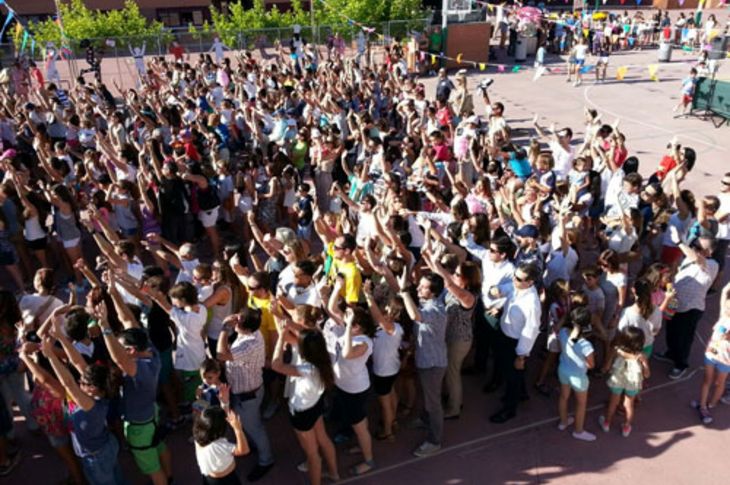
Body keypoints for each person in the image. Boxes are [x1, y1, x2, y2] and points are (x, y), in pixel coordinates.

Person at [272, 326, 339, 485]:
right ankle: (334, 474)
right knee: (323, 438)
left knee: (312, 454)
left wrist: (281, 337)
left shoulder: (306, 369)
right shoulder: (327, 358)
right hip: (315, 405)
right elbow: (306, 339)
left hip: (302, 414)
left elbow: (276, 365)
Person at [216, 309, 274, 482]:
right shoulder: (252, 333)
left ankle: (266, 460)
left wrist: (224, 329)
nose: (235, 321)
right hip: (244, 391)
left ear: (244, 327)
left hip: (248, 396)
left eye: (238, 320)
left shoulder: (249, 344)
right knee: (248, 426)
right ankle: (253, 446)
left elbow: (221, 355)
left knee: (255, 428)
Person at [398, 269, 447, 456]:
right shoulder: (426, 303)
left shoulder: (434, 309)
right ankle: (426, 419)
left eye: (423, 287)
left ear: (433, 292)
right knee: (428, 396)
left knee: (434, 403)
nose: (418, 289)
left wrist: (404, 294)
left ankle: (435, 441)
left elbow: (415, 316)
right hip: (426, 359)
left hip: (433, 364)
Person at [489, 263, 542, 424]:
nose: (514, 279)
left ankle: (509, 409)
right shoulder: (516, 287)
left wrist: (521, 355)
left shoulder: (532, 303)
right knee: (513, 372)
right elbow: (499, 290)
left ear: (530, 282)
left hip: (515, 343)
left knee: (512, 375)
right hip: (505, 335)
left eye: (518, 278)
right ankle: (522, 393)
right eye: (514, 275)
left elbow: (530, 331)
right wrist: (495, 291)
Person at [599, 327, 650, 437]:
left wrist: (604, 369)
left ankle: (607, 423)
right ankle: (626, 427)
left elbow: (607, 366)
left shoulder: (616, 350)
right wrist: (644, 368)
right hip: (632, 383)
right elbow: (647, 374)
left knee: (613, 402)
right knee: (629, 404)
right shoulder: (641, 356)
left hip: (617, 381)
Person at [691, 283, 730, 425]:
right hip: (712, 354)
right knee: (707, 380)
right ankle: (702, 406)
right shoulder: (723, 316)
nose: (727, 307)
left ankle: (711, 404)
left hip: (726, 360)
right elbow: (724, 291)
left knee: (720, 383)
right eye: (727, 305)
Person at [556, 307, 596, 442]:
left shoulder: (562, 332)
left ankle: (563, 422)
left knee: (563, 396)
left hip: (563, 370)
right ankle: (578, 431)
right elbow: (592, 365)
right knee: (581, 404)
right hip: (578, 376)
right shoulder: (586, 345)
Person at [193, 406, 250, 485]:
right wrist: (238, 429)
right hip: (227, 480)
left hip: (209, 479)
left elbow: (200, 415)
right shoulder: (221, 446)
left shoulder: (197, 435)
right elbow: (244, 450)